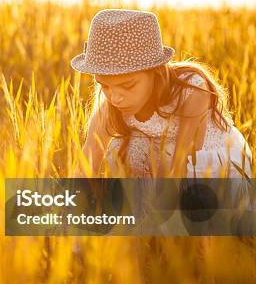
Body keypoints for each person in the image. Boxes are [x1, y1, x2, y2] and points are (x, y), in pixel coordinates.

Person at [71, 9, 253, 179]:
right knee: (126, 148)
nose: (115, 97)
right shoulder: (110, 102)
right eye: (105, 86)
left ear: (155, 72)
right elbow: (86, 164)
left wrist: (160, 212)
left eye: (128, 86)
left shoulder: (192, 90)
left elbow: (181, 169)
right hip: (160, 164)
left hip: (200, 168)